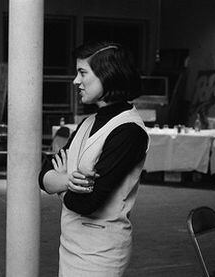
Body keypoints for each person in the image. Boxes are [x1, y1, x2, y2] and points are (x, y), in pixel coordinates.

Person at [39, 42, 149, 277]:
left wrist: (60, 182)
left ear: (108, 75)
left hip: (101, 253)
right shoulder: (87, 122)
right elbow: (43, 175)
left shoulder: (129, 131)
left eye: (82, 73)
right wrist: (71, 181)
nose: (75, 81)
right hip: (70, 245)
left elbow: (88, 203)